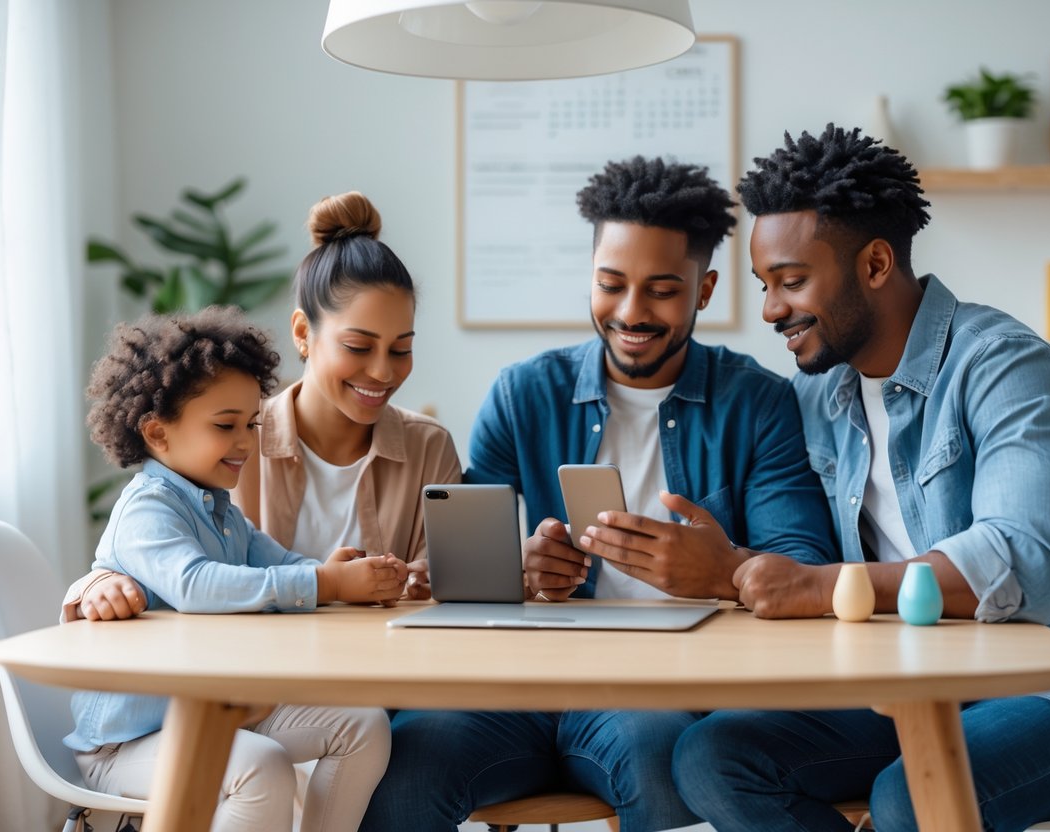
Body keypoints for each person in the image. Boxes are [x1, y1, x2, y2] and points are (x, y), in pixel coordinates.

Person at [671, 125, 1050, 832]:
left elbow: (1020, 564)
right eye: (764, 285)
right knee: (712, 755)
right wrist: (722, 562)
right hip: (909, 686)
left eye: (792, 281)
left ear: (873, 264)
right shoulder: (817, 395)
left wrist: (816, 586)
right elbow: (782, 538)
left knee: (908, 799)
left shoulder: (1007, 367)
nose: (771, 310)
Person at [362, 156, 837, 832]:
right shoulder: (523, 393)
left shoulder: (757, 403)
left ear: (703, 291)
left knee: (657, 764)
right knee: (405, 770)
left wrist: (721, 569)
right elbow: (458, 568)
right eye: (610, 285)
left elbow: (802, 559)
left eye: (661, 290)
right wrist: (516, 569)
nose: (630, 312)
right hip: (509, 689)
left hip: (655, 690)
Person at [66, 306, 398, 832]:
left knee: (364, 726)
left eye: (252, 423)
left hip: (214, 715)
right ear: (157, 435)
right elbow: (197, 586)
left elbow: (285, 564)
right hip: (126, 743)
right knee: (260, 768)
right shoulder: (146, 511)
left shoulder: (221, 511)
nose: (246, 442)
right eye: (226, 426)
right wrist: (325, 583)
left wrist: (332, 571)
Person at [65, 191, 462, 620]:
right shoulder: (217, 458)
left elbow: (278, 561)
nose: (384, 372)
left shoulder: (221, 502)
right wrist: (96, 580)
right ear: (302, 332)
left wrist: (366, 577)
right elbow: (183, 578)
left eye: (401, 350)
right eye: (358, 346)